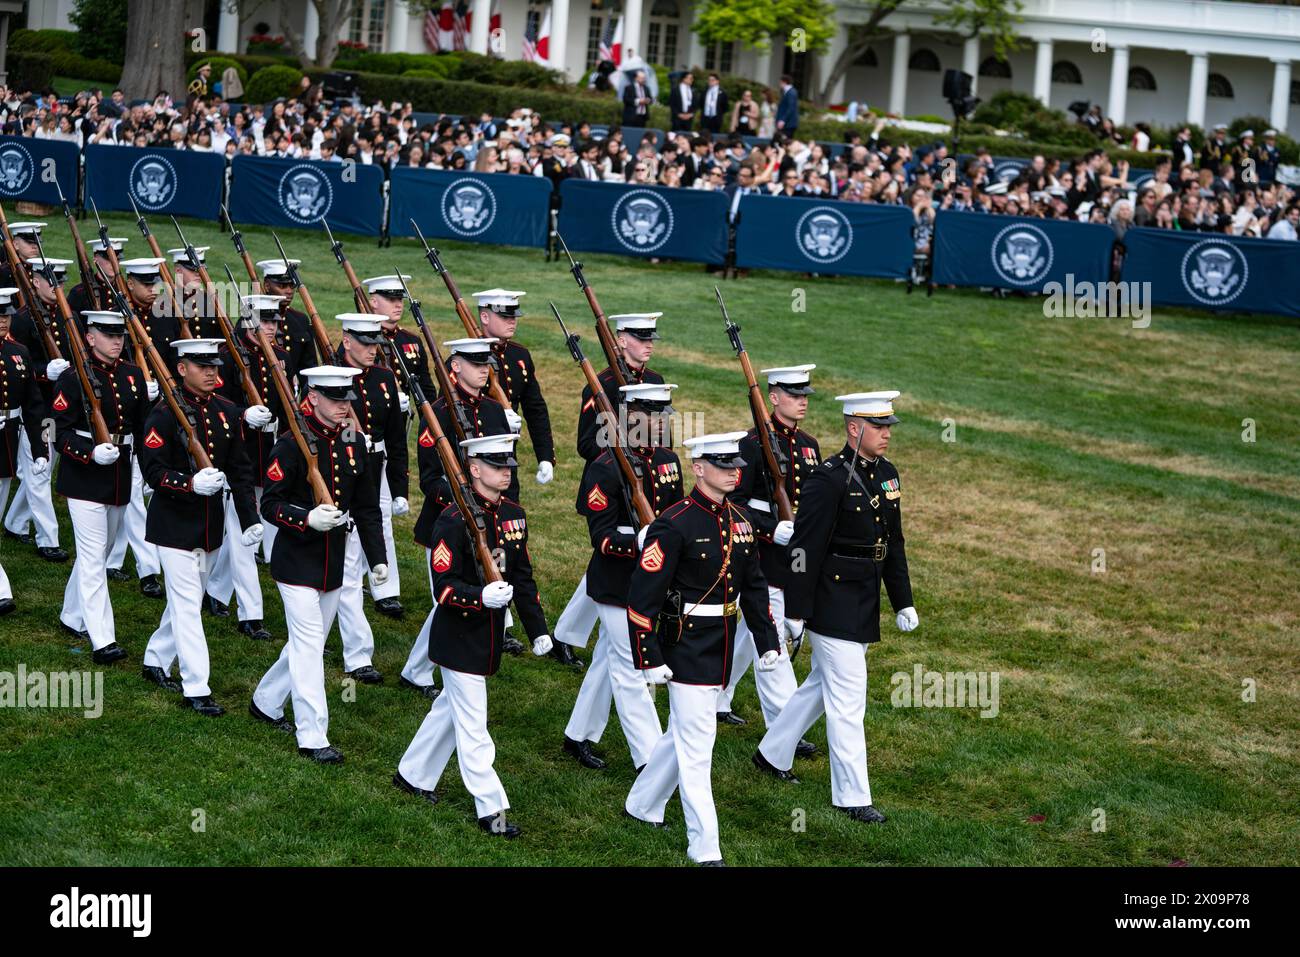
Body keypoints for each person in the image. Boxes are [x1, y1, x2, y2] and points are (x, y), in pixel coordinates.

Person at [754, 392, 918, 826]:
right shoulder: (828, 479)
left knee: (820, 686)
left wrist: (903, 600)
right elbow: (804, 549)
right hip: (832, 601)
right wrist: (795, 610)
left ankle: (771, 753)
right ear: (853, 428)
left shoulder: (887, 474)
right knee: (848, 702)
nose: (886, 434)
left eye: (888, 427)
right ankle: (851, 796)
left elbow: (892, 542)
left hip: (863, 601)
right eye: (878, 426)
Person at [623, 431, 780, 866]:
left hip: (722, 645)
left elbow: (753, 588)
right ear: (698, 468)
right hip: (685, 646)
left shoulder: (741, 522)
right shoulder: (674, 523)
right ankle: (705, 846)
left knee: (683, 735)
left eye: (736, 466)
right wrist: (648, 656)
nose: (734, 472)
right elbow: (642, 597)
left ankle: (642, 804)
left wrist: (766, 641)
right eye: (722, 464)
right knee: (698, 747)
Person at [393, 432, 553, 838]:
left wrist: (537, 629)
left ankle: (411, 775)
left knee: (449, 711)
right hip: (459, 637)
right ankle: (491, 808)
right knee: (474, 727)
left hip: (486, 639)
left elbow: (523, 577)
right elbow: (444, 588)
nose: (506, 474)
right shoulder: (451, 520)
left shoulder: (514, 514)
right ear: (475, 469)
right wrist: (480, 596)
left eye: (509, 467)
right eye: (498, 467)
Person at [249, 366, 387, 764]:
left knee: (307, 643)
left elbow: (365, 507)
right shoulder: (291, 445)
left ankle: (265, 701)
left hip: (333, 563)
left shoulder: (353, 443)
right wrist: (306, 518)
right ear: (312, 398)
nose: (345, 407)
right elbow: (270, 503)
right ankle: (312, 735)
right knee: (311, 647)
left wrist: (378, 560)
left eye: (347, 399)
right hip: (295, 561)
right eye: (336, 399)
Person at [562, 382, 684, 772]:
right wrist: (639, 541)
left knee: (607, 660)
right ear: (632, 416)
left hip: (653, 581)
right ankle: (650, 760)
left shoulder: (667, 458)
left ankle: (577, 734)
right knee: (633, 666)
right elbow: (601, 538)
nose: (663, 424)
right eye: (655, 416)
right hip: (616, 584)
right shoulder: (605, 467)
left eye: (666, 416)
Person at [139, 338, 260, 716]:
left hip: (210, 527)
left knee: (184, 600)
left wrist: (249, 520)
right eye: (201, 366)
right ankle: (196, 686)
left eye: (215, 367)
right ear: (181, 369)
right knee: (189, 607)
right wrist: (188, 483)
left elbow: (240, 469)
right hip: (173, 526)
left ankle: (156, 658)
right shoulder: (163, 414)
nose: (211, 373)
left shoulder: (225, 411)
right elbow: (153, 472)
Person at [401, 337, 519, 695]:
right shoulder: (437, 412)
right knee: (450, 597)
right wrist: (464, 500)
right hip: (448, 526)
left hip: (489, 524)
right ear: (455, 367)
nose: (485, 370)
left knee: (468, 597)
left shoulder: (495, 411)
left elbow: (506, 471)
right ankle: (420, 671)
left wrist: (506, 513)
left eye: (487, 364)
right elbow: (430, 480)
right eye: (475, 363)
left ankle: (418, 669)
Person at [717, 365, 819, 755]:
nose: (802, 401)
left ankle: (717, 698)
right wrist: (769, 528)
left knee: (750, 630)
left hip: (793, 556)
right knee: (770, 637)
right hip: (758, 555)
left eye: (805, 395)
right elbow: (732, 503)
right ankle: (785, 730)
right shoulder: (749, 445)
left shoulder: (809, 445)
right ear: (773, 398)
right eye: (794, 395)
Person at [553, 314, 665, 665]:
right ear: (620, 339)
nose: (648, 343)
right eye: (640, 337)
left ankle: (569, 632)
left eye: (650, 338)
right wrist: (620, 449)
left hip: (648, 485)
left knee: (608, 564)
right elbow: (586, 444)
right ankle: (569, 633)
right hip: (609, 487)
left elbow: (662, 439)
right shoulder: (599, 385)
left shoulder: (657, 382)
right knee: (608, 558)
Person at [52, 310, 150, 663]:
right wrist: (89, 452)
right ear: (89, 338)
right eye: (107, 335)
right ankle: (102, 638)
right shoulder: (71, 378)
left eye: (120, 335)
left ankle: (70, 614)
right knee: (95, 558)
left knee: (99, 550)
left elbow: (142, 428)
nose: (116, 341)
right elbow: (58, 434)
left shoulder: (133, 375)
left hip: (120, 473)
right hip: (84, 477)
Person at [207, 295, 295, 640]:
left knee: (249, 529)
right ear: (247, 322)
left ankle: (214, 590)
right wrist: (242, 415)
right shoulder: (228, 359)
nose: (272, 328)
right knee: (246, 530)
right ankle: (251, 613)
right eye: (265, 322)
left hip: (272, 449)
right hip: (238, 450)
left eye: (275, 322)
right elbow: (216, 405)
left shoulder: (282, 358)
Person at [3, 248, 70, 562]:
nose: (57, 287)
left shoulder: (62, 315)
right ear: (35, 280)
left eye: (60, 281)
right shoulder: (22, 320)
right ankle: (48, 538)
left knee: (44, 466)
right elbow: (17, 366)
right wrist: (45, 372)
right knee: (40, 472)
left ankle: (15, 522)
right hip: (35, 411)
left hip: (56, 411)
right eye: (51, 281)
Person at [471, 289, 554, 493]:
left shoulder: (520, 355)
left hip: (507, 456)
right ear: (485, 317)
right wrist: (499, 415)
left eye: (513, 316)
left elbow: (535, 409)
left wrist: (545, 457)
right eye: (504, 316)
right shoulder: (466, 358)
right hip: (474, 459)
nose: (512, 321)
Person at [0, 285, 47, 615]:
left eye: (5, 316)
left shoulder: (19, 353)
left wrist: (41, 447)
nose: (3, 322)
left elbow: (32, 405)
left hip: (6, 441)